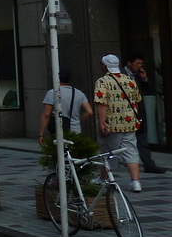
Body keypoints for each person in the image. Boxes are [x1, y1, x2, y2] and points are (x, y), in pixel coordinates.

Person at [94, 54, 143, 192]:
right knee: (131, 151)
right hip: (130, 122)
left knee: (108, 152)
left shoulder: (102, 81)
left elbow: (101, 104)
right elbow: (136, 100)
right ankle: (136, 182)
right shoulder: (130, 80)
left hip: (112, 123)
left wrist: (102, 122)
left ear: (104, 66)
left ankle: (105, 179)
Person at [124, 53, 166, 174]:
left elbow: (149, 89)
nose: (139, 66)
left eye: (141, 64)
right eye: (137, 63)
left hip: (138, 112)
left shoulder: (139, 75)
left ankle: (149, 165)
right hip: (124, 112)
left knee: (142, 138)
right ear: (129, 63)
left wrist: (144, 79)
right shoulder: (120, 74)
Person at [37, 68, 91, 144]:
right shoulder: (79, 93)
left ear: (58, 77)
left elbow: (46, 115)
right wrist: (78, 120)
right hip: (76, 130)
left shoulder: (53, 93)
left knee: (59, 154)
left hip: (59, 131)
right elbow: (89, 112)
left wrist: (41, 135)